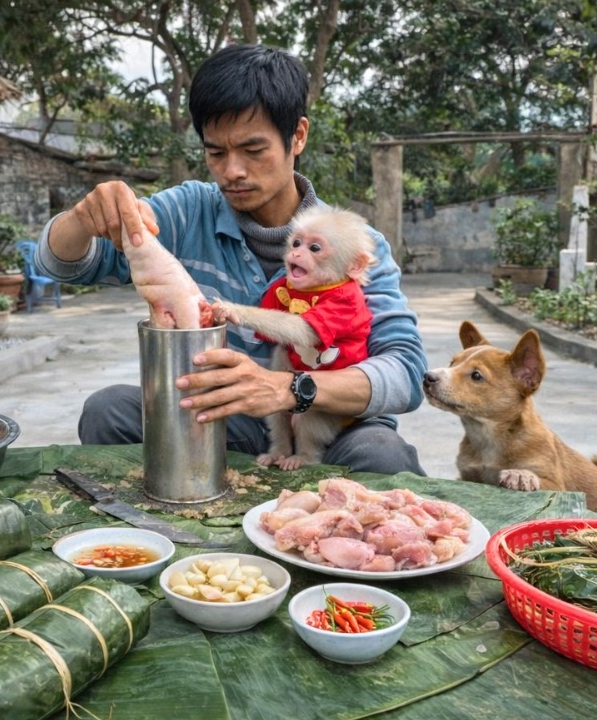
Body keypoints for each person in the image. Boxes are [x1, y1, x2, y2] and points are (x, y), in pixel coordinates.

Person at [33, 43, 428, 476]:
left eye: (253, 150)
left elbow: (406, 373)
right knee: (108, 410)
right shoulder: (186, 212)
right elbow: (63, 264)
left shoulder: (355, 247)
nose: (232, 171)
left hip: (327, 425)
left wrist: (289, 388)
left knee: (382, 453)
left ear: (297, 135)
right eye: (216, 153)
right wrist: (83, 217)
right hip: (224, 418)